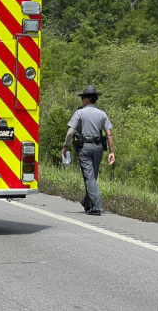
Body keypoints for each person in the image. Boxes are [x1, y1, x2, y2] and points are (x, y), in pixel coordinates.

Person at [61, 85, 115, 216]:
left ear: (86, 99)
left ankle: (96, 206)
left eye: (82, 99)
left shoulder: (80, 113)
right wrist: (112, 152)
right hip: (98, 148)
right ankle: (87, 203)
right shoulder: (102, 114)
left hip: (85, 148)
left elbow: (70, 132)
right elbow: (109, 134)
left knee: (89, 177)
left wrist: (65, 145)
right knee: (92, 176)